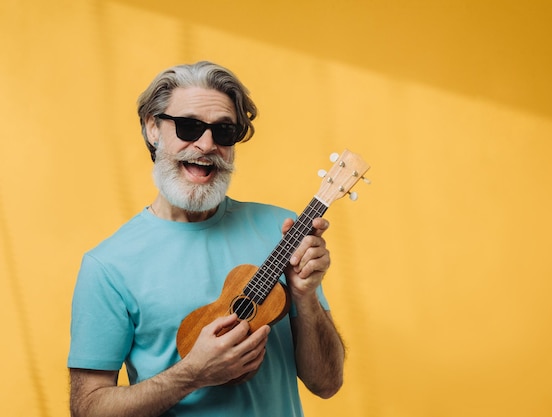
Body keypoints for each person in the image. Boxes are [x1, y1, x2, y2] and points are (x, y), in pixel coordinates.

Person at [68, 61, 345, 417]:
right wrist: (192, 374)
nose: (206, 144)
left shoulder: (282, 231)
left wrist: (305, 297)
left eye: (223, 131)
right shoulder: (107, 265)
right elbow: (88, 409)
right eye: (189, 127)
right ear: (153, 128)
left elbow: (327, 384)